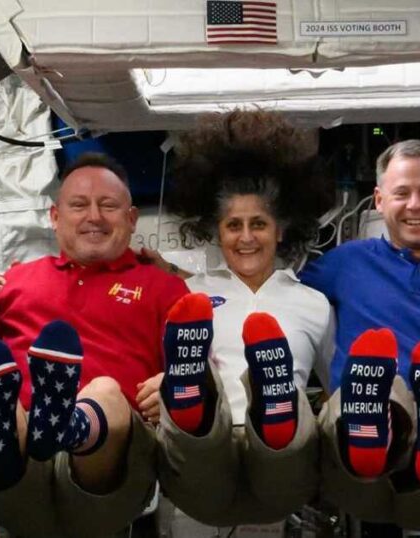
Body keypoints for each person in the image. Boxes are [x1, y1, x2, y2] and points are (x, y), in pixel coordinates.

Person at [0, 153, 189, 538]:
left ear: (132, 219)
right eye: (79, 205)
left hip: (109, 467)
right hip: (19, 463)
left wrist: (170, 382)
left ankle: (68, 426)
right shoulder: (14, 281)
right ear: (55, 216)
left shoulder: (165, 288)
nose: (94, 216)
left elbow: (199, 370)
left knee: (104, 392)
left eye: (108, 205)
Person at [135, 109, 337, 528]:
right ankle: (193, 397)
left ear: (280, 230)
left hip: (281, 467)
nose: (246, 237)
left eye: (258, 224)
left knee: (284, 435)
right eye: (233, 225)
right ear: (217, 231)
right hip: (207, 456)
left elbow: (335, 388)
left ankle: (274, 403)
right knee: (200, 433)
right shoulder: (188, 297)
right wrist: (165, 384)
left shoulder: (313, 303)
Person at [298, 140, 420, 530]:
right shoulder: (345, 263)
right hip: (353, 443)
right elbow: (277, 295)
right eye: (402, 193)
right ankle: (377, 417)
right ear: (379, 200)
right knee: (377, 389)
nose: (415, 205)